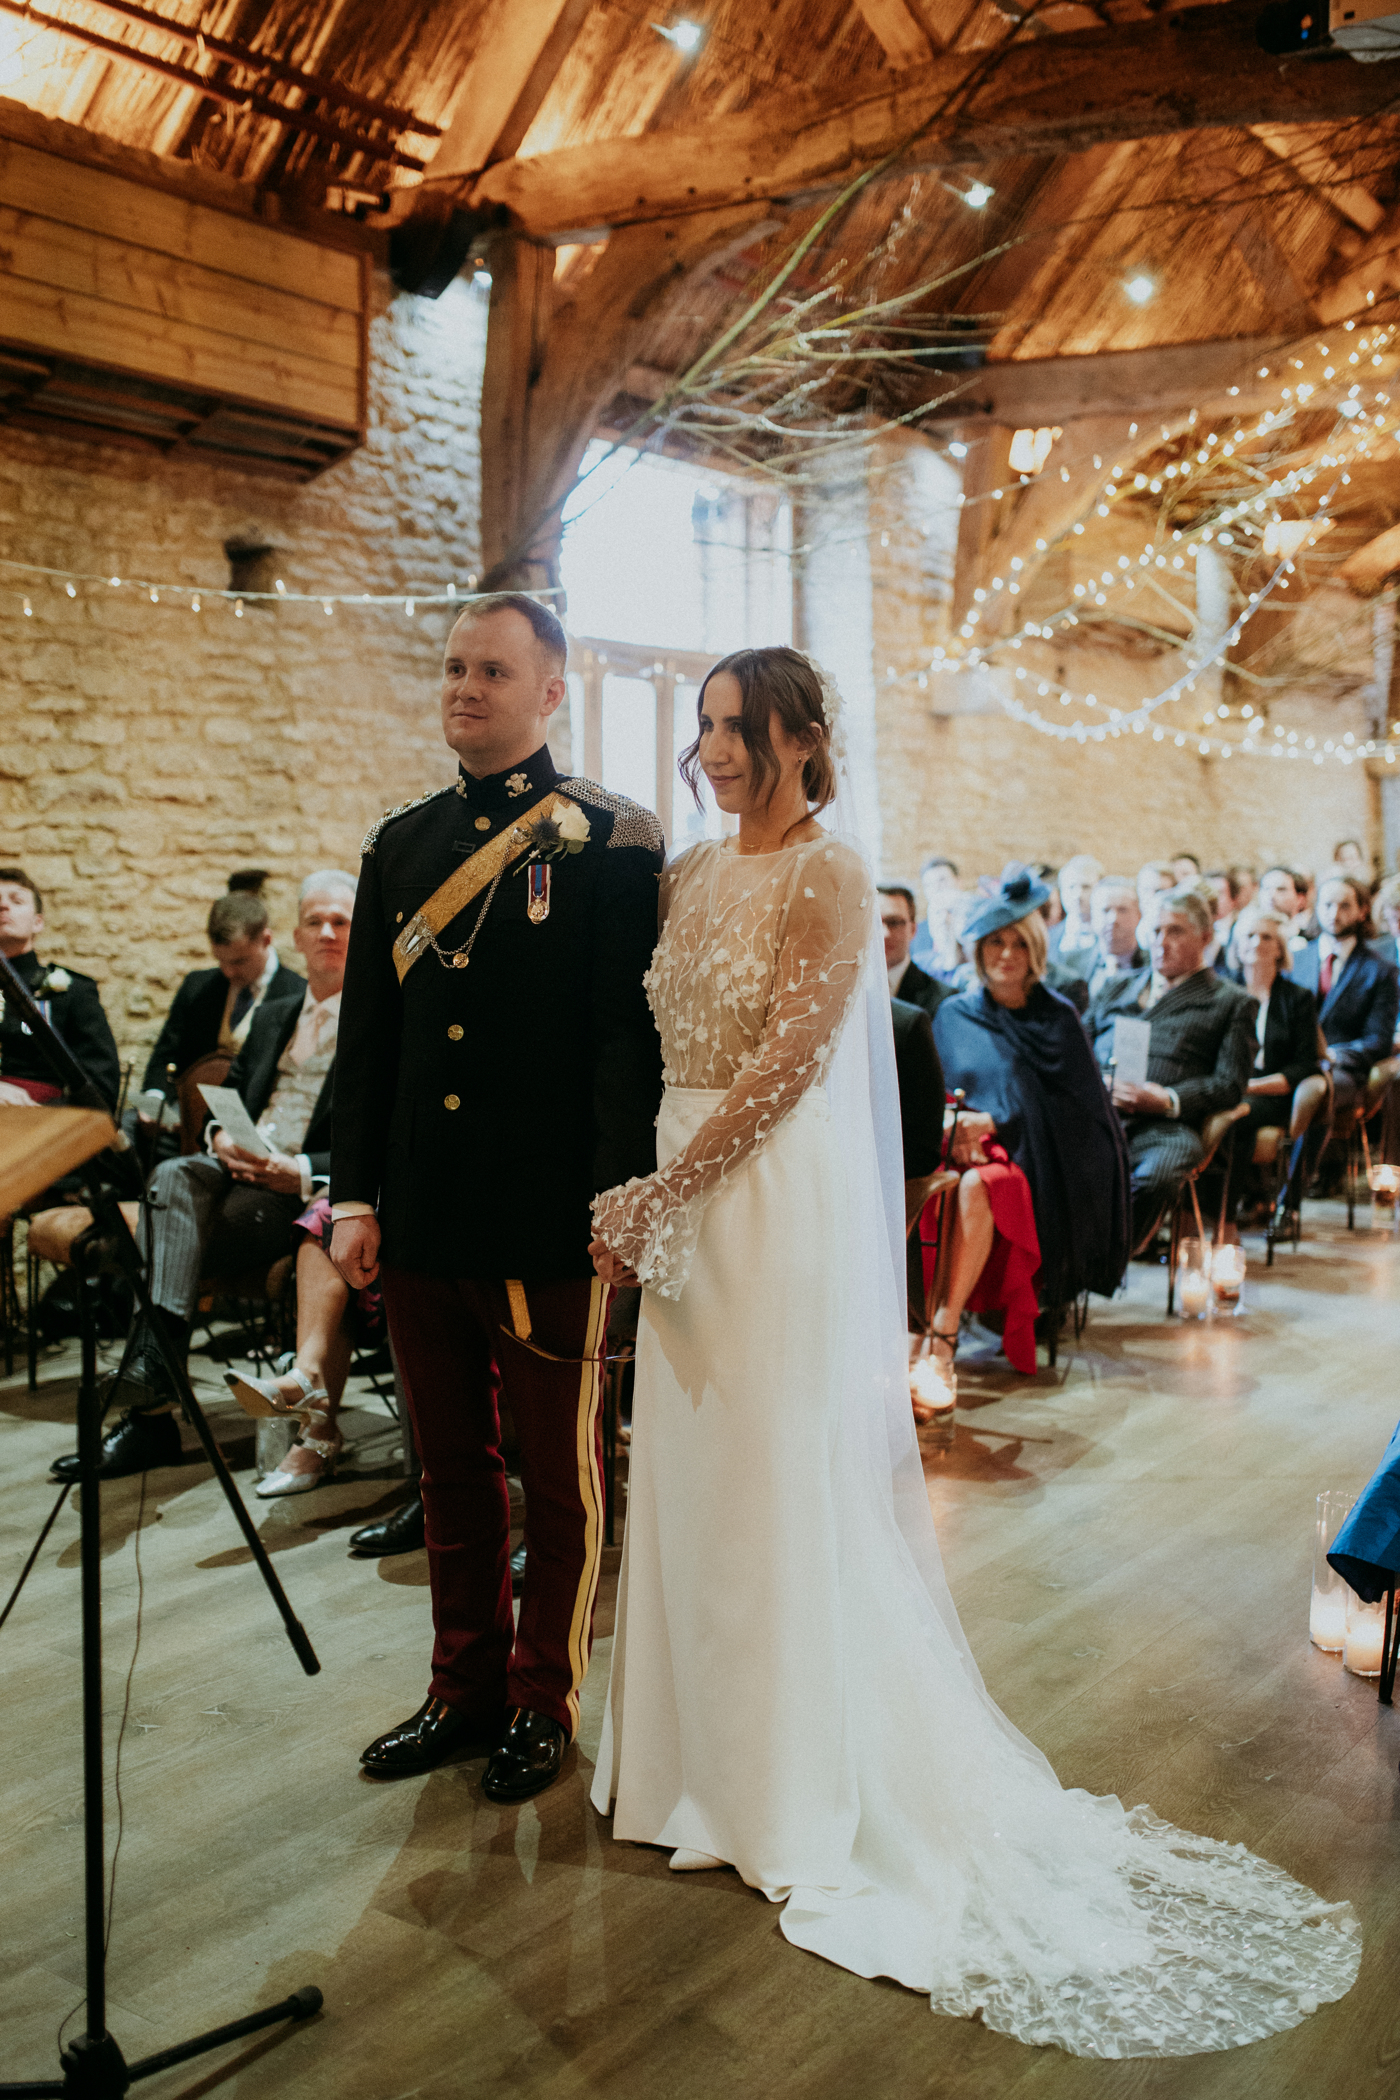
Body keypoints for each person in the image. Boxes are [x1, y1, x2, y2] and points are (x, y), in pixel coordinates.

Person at [586, 646, 1358, 2055]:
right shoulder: (690, 871)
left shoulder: (829, 869)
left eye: (739, 726)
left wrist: (665, 1192)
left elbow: (790, 1061)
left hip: (756, 1197)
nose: (718, 750)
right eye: (703, 727)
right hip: (678, 1182)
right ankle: (679, 1768)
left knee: (772, 1472)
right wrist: (640, 1183)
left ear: (804, 737)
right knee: (688, 1472)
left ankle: (779, 1782)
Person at [329, 592, 664, 1802]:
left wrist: (617, 1202)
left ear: (550, 692)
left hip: (545, 1216)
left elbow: (624, 1048)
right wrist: (353, 1194)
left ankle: (540, 1697)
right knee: (448, 1472)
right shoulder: (401, 846)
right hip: (422, 1210)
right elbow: (370, 1038)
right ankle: (459, 1689)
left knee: (556, 1472)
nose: (464, 688)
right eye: (454, 668)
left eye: (492, 671)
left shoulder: (613, 841)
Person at [49, 872, 354, 1484]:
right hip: (236, 1170)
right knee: (172, 1174)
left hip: (299, 1192)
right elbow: (231, 1096)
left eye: (341, 922)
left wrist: (295, 1170)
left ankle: (153, 1410)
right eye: (314, 921)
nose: (326, 932)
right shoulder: (274, 1015)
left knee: (158, 1233)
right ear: (292, 935)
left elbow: (384, 1138)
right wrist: (220, 1138)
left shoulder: (381, 1019)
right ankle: (158, 1379)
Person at [931, 868, 1130, 1382]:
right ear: (977, 950)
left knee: (989, 1186)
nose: (1006, 954)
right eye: (995, 942)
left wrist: (1000, 1122)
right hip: (954, 1150)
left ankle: (950, 1328)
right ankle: (924, 1325)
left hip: (1037, 1157)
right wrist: (957, 1123)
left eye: (1019, 943)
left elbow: (1080, 1111)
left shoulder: (1058, 1017)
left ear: (1036, 949)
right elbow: (934, 1092)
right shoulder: (953, 1015)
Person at [1086, 886, 1256, 1249]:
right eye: (1156, 931)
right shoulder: (1117, 988)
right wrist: (1098, 1082)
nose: (1161, 943)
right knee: (1043, 1156)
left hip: (1165, 1126)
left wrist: (1166, 1099)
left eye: (1175, 931)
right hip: (1097, 1114)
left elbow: (1230, 1084)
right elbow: (1075, 1051)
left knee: (1156, 1176)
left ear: (1205, 937)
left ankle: (1102, 1259)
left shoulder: (1230, 1002)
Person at [140, 873, 304, 1100]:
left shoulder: (298, 994)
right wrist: (154, 1096)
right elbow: (166, 1053)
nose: (228, 972)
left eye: (239, 961)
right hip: (188, 1111)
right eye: (221, 961)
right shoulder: (196, 986)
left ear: (266, 940)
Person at [1292, 872, 1399, 1148]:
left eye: (1344, 906)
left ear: (1363, 911)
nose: (1334, 914)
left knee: (1317, 1089)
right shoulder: (1296, 960)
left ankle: (1307, 1176)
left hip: (1345, 1070)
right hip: (1294, 1062)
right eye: (1327, 905)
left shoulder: (1380, 970)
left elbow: (1378, 1041)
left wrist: (1332, 1055)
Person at [1232, 905, 1324, 1225]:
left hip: (1273, 1092)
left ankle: (1228, 1207)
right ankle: (1239, 1198)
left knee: (1237, 1115)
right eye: (1249, 936)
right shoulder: (1224, 993)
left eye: (1266, 936)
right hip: (1229, 1085)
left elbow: (1305, 1064)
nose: (1257, 942)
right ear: (1237, 946)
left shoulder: (1297, 998)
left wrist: (1252, 1086)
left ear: (1279, 948)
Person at [0, 866, 120, 1110]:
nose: (3, 906)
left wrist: (40, 1115)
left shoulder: (73, 992)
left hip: (42, 1122)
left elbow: (100, 1089)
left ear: (38, 922)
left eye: (16, 900)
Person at [878, 883, 952, 1023]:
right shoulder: (846, 991)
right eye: (875, 923)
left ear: (913, 930)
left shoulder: (943, 998)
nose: (884, 934)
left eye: (894, 923)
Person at [1085, 875, 1145, 1003]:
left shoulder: (1154, 965)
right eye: (1105, 910)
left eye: (1122, 910)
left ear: (1139, 914)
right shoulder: (1072, 963)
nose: (1113, 919)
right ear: (1092, 916)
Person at [909, 855, 962, 976]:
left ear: (959, 882)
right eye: (929, 885)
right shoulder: (916, 933)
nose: (937, 888)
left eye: (942, 880)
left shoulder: (973, 926)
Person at [1047, 854, 1102, 968]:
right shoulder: (1048, 938)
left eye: (1086, 887)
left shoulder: (1112, 938)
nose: (1078, 895)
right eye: (1071, 887)